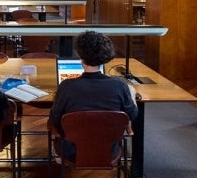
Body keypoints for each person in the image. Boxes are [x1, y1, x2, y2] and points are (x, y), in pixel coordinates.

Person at [48, 30, 139, 161]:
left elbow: (55, 119)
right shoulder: (119, 85)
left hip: (72, 151)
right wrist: (131, 93)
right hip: (108, 150)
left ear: (80, 56)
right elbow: (132, 115)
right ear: (106, 55)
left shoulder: (66, 86)